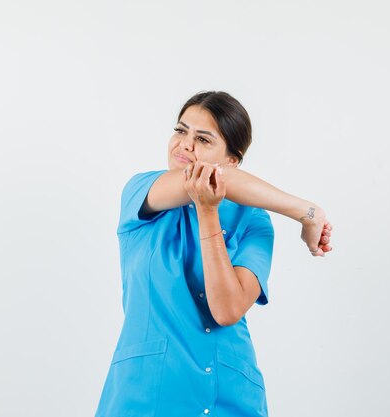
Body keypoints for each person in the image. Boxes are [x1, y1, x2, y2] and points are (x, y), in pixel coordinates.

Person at [93, 91, 333, 417]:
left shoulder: (254, 221)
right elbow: (211, 179)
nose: (185, 145)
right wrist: (307, 212)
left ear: (231, 160)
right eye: (180, 131)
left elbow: (226, 310)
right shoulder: (142, 193)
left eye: (203, 139)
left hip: (230, 396)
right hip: (147, 393)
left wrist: (208, 213)